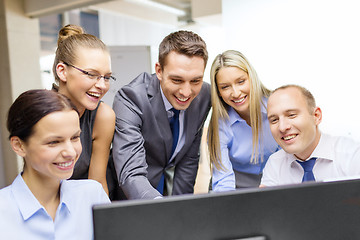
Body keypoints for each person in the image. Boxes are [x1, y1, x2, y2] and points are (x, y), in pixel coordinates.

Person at [112, 30, 211, 200]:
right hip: (131, 197)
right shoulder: (131, 98)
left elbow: (188, 159)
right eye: (177, 80)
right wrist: (159, 208)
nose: (186, 92)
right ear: (159, 70)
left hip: (168, 191)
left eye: (195, 80)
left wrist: (180, 211)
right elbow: (131, 172)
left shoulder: (204, 95)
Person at [0, 89, 110, 239]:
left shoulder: (92, 195)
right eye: (54, 142)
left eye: (75, 138)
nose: (70, 152)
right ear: (19, 146)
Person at [53, 24, 116, 196]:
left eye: (107, 77)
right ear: (62, 71)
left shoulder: (103, 116)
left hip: (83, 206)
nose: (102, 85)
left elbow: (96, 185)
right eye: (90, 74)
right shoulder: (41, 114)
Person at [260, 84, 360, 187]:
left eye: (291, 115)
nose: (282, 127)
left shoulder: (352, 156)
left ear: (316, 116)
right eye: (274, 120)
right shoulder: (275, 164)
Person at [207, 50, 279, 191]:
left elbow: (290, 157)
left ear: (251, 78)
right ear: (219, 92)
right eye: (225, 87)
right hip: (235, 186)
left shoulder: (276, 106)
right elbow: (223, 179)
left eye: (241, 82)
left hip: (275, 182)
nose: (236, 93)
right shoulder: (220, 124)